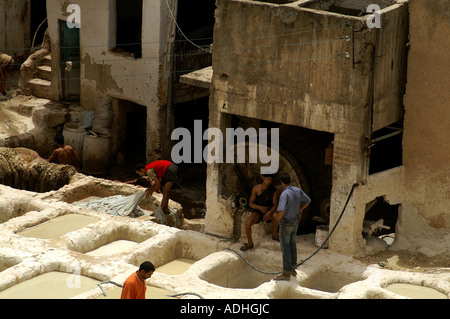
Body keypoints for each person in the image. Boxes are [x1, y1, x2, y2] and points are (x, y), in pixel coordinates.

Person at [275, 173, 311, 281]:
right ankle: (293, 269)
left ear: (282, 182)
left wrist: (278, 219)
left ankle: (286, 273)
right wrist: (300, 209)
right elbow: (308, 201)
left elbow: (281, 210)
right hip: (295, 223)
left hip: (286, 223)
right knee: (292, 245)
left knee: (285, 248)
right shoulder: (297, 190)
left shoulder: (284, 194)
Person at [240, 173, 279, 251]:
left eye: (271, 180)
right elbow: (251, 203)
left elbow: (275, 205)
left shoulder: (273, 190)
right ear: (263, 178)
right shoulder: (256, 188)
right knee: (247, 224)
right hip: (258, 211)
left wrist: (269, 213)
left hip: (268, 211)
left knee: (276, 216)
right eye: (268, 179)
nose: (269, 181)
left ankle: (274, 234)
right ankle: (250, 243)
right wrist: (259, 207)